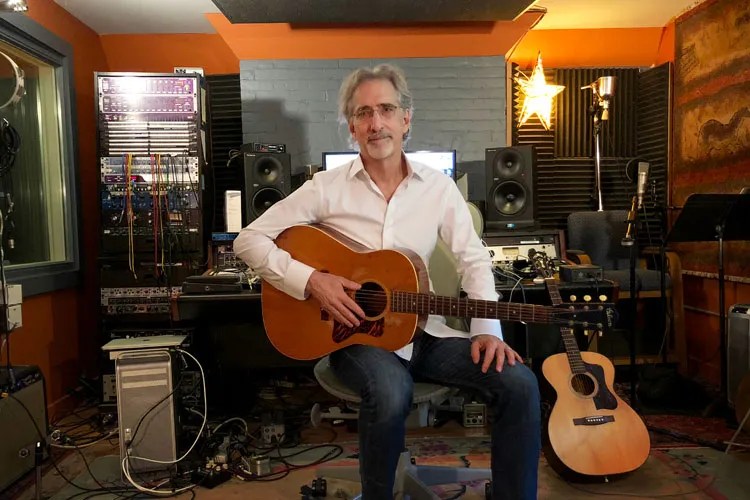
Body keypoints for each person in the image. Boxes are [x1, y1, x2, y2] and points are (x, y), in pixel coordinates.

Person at [234, 64, 540, 499]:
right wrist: (311, 281)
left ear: (405, 119)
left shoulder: (438, 188)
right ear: (352, 127)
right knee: (391, 390)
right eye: (363, 113)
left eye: (386, 109)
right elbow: (249, 240)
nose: (376, 123)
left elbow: (473, 258)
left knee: (518, 382)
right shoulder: (324, 188)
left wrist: (487, 330)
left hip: (425, 334)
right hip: (353, 338)